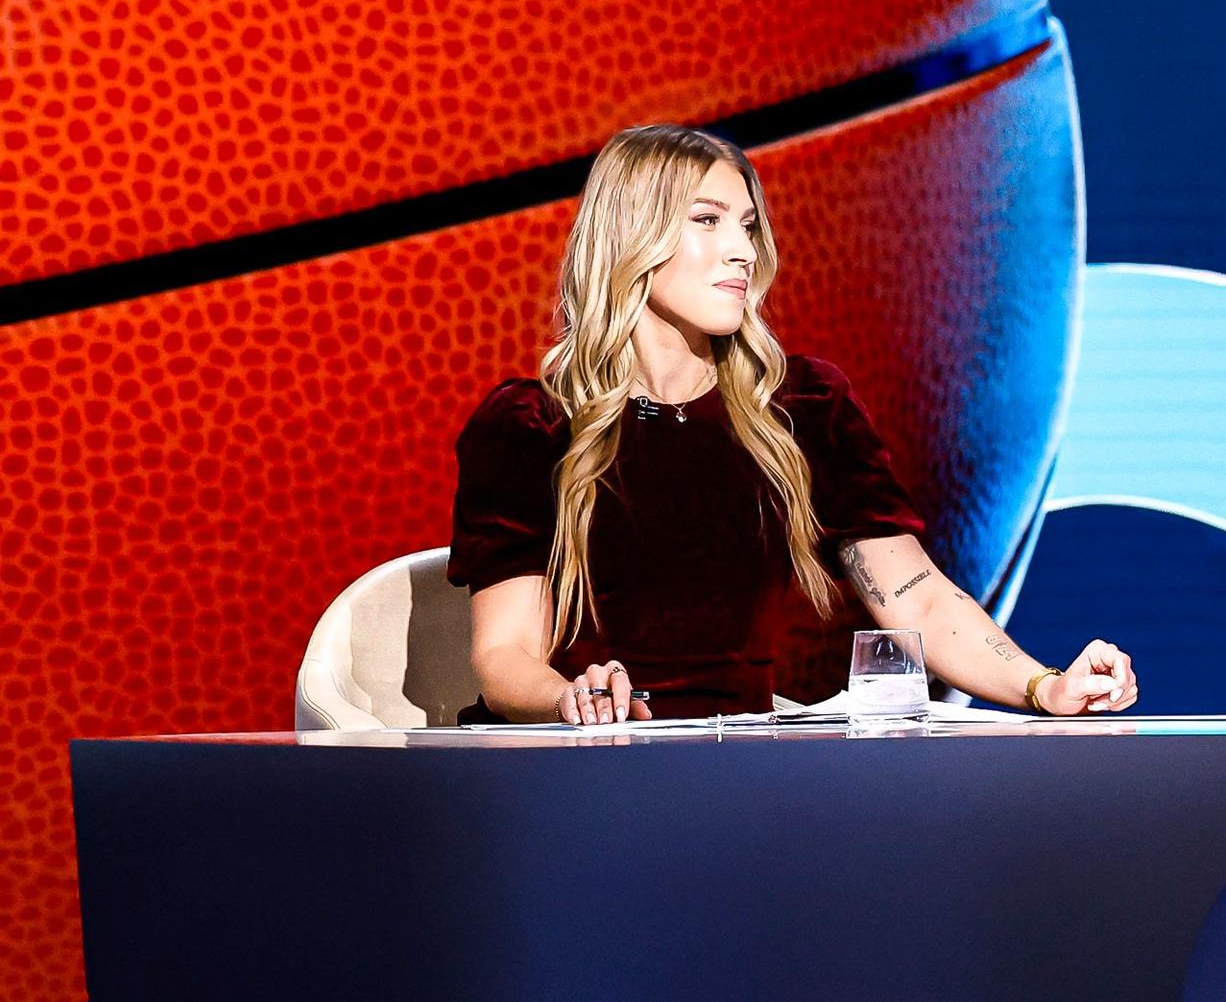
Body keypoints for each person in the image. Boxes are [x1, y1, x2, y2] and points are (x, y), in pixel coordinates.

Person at [452, 126, 1136, 724]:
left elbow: (919, 600)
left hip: (739, 770)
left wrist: (1044, 686)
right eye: (707, 220)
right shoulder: (532, 425)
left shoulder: (802, 408)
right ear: (630, 236)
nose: (742, 251)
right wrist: (575, 700)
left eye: (748, 227)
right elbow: (505, 657)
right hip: (576, 765)